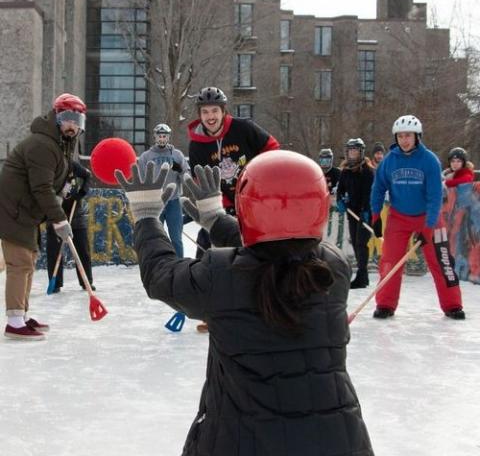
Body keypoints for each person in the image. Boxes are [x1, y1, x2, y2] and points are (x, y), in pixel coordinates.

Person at [115, 151, 374, 456]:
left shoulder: (222, 274)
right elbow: (277, 251)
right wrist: (216, 220)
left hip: (242, 441)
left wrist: (145, 217)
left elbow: (161, 276)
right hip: (337, 441)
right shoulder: (334, 268)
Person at [187, 86, 280, 331]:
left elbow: (273, 149)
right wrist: (207, 205)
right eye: (205, 112)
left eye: (214, 110)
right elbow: (199, 180)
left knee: (258, 252)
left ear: (223, 111)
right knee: (206, 249)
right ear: (200, 114)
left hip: (252, 202)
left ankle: (265, 305)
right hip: (220, 206)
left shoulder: (243, 128)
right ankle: (207, 308)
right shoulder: (196, 145)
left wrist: (263, 179)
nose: (210, 116)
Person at [0, 93, 85, 340]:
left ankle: (22, 315)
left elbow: (52, 181)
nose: (73, 125)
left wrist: (67, 188)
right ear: (56, 117)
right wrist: (59, 219)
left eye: (77, 119)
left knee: (29, 260)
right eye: (68, 118)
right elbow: (41, 187)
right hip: (12, 209)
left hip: (25, 211)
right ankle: (15, 321)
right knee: (20, 263)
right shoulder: (43, 144)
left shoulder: (61, 144)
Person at [370, 115, 465, 319]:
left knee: (442, 261)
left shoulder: (429, 160)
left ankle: (453, 304)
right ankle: (385, 304)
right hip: (398, 217)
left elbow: (434, 197)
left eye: (409, 136)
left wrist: (428, 227)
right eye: (401, 136)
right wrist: (376, 215)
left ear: (417, 137)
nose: (404, 140)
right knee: (390, 262)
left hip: (428, 217)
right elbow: (377, 189)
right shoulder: (388, 161)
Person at [138, 123, 188, 257]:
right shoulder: (145, 157)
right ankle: (157, 265)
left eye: (164, 136)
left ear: (168, 137)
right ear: (154, 137)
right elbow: (141, 181)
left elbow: (187, 177)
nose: (162, 138)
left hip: (173, 202)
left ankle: (179, 265)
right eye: (159, 136)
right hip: (155, 203)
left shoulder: (177, 155)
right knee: (155, 238)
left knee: (176, 238)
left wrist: (181, 170)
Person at [46, 160, 94, 292]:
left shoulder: (71, 164)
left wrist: (83, 192)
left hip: (75, 213)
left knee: (82, 250)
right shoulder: (46, 168)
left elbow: (87, 175)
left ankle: (86, 282)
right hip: (55, 214)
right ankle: (55, 283)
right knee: (54, 251)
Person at [336, 138, 375, 288]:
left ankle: (362, 275)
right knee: (355, 242)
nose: (353, 153)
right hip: (352, 212)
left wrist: (366, 210)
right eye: (350, 150)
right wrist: (341, 200)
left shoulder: (367, 171)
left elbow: (369, 193)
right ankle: (362, 275)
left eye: (355, 150)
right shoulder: (345, 171)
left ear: (361, 152)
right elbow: (341, 190)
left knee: (361, 243)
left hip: (365, 212)